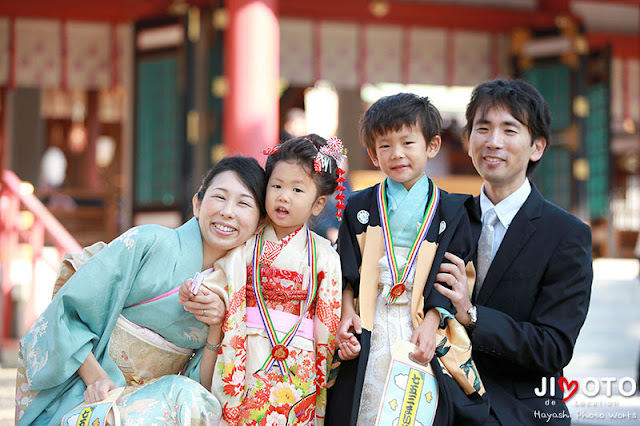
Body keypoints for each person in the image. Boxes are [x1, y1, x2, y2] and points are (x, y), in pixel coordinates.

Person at [15, 156, 267, 425]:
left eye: (243, 203)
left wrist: (216, 324)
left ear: (260, 223)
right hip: (85, 388)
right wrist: (97, 378)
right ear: (197, 204)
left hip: (151, 404)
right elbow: (66, 313)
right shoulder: (148, 242)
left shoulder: (236, 288)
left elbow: (203, 386)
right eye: (219, 197)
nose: (228, 212)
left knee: (195, 401)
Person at [434, 79, 593, 425]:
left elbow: (553, 347)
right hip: (440, 404)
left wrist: (471, 314)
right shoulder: (444, 216)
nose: (493, 142)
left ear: (536, 147)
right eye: (483, 128)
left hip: (517, 412)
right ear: (469, 140)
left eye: (509, 130)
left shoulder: (566, 235)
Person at [326, 93, 488, 425]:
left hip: (425, 322)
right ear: (373, 155)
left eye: (407, 142)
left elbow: (449, 276)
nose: (396, 154)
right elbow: (346, 270)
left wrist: (431, 325)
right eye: (384, 146)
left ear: (432, 145)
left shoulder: (453, 210)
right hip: (372, 316)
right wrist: (345, 315)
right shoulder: (358, 207)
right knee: (366, 404)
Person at [207, 134, 343, 425]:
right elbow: (221, 280)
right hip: (246, 348)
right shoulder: (246, 244)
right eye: (277, 186)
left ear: (318, 204)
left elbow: (327, 319)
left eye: (297, 189)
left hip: (299, 359)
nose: (284, 196)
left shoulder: (325, 256)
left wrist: (328, 361)